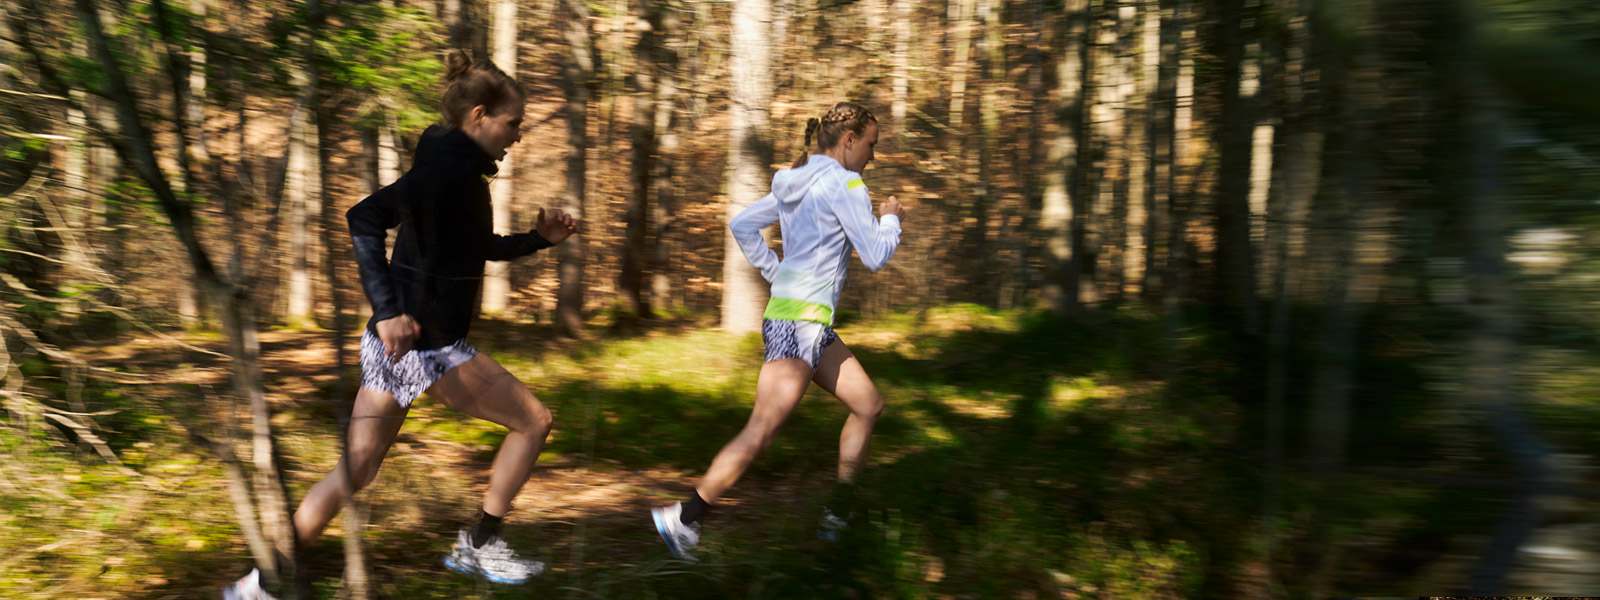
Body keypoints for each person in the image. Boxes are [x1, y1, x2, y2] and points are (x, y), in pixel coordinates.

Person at [223, 50, 579, 598]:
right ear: (479, 115)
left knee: (356, 469)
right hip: (427, 346)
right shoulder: (450, 168)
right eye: (513, 124)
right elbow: (364, 217)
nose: (519, 136)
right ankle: (480, 544)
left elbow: (473, 247)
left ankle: (259, 585)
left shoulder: (452, 168)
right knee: (534, 422)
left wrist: (537, 241)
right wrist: (390, 310)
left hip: (390, 348)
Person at [650, 102, 906, 560]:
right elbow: (874, 254)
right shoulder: (848, 184)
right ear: (849, 140)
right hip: (800, 325)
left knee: (868, 405)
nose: (872, 156)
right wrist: (890, 217)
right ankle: (684, 519)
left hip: (804, 322)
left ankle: (840, 508)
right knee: (762, 430)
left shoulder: (795, 181)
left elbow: (742, 224)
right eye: (871, 145)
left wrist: (777, 272)